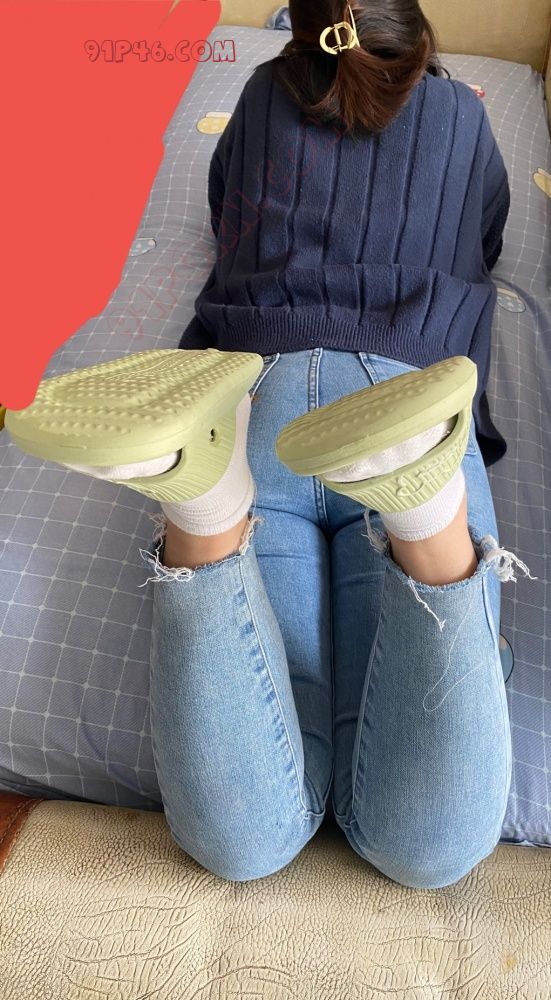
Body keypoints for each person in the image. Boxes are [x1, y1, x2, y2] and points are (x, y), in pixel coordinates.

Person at [5, 0, 533, 889]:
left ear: (297, 34)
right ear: (418, 45)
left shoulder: (258, 92)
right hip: (401, 393)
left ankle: (205, 502)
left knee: (245, 850)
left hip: (255, 388)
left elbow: (226, 219)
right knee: (429, 854)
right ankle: (428, 516)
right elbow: (485, 242)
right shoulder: (463, 112)